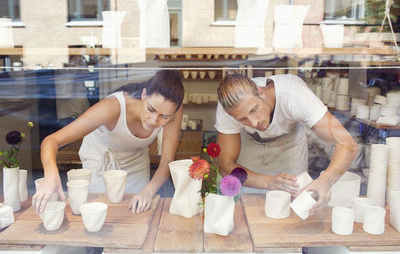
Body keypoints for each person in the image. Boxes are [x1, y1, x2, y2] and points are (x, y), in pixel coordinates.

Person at [33, 70, 184, 214]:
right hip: (101, 160)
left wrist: (148, 192)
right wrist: (51, 173)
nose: (154, 120)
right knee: (100, 213)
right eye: (151, 109)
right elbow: (52, 141)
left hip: (136, 160)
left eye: (164, 117)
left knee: (137, 212)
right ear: (144, 95)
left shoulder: (172, 109)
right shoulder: (113, 108)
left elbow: (167, 160)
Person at [215, 73, 358, 215]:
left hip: (289, 146)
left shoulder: (294, 94)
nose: (253, 122)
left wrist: (325, 181)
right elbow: (226, 166)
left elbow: (347, 144)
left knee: (294, 206)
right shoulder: (228, 110)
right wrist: (268, 182)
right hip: (251, 148)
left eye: (254, 110)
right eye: (243, 119)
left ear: (261, 92)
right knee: (251, 209)